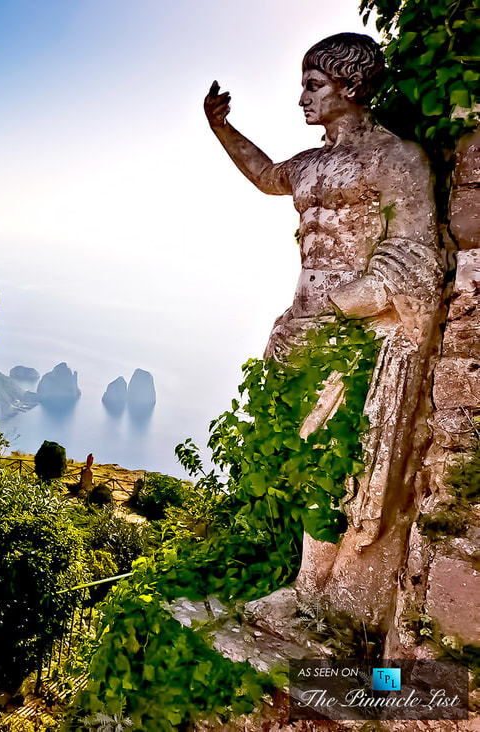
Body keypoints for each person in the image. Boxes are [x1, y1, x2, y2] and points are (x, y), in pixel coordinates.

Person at [203, 33, 443, 624]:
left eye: (313, 86)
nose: (302, 99)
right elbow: (265, 175)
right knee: (307, 455)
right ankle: (309, 588)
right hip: (298, 327)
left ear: (351, 86)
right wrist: (221, 130)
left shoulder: (395, 159)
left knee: (343, 460)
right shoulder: (312, 165)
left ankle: (332, 603)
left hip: (351, 333)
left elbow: (416, 255)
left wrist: (350, 301)